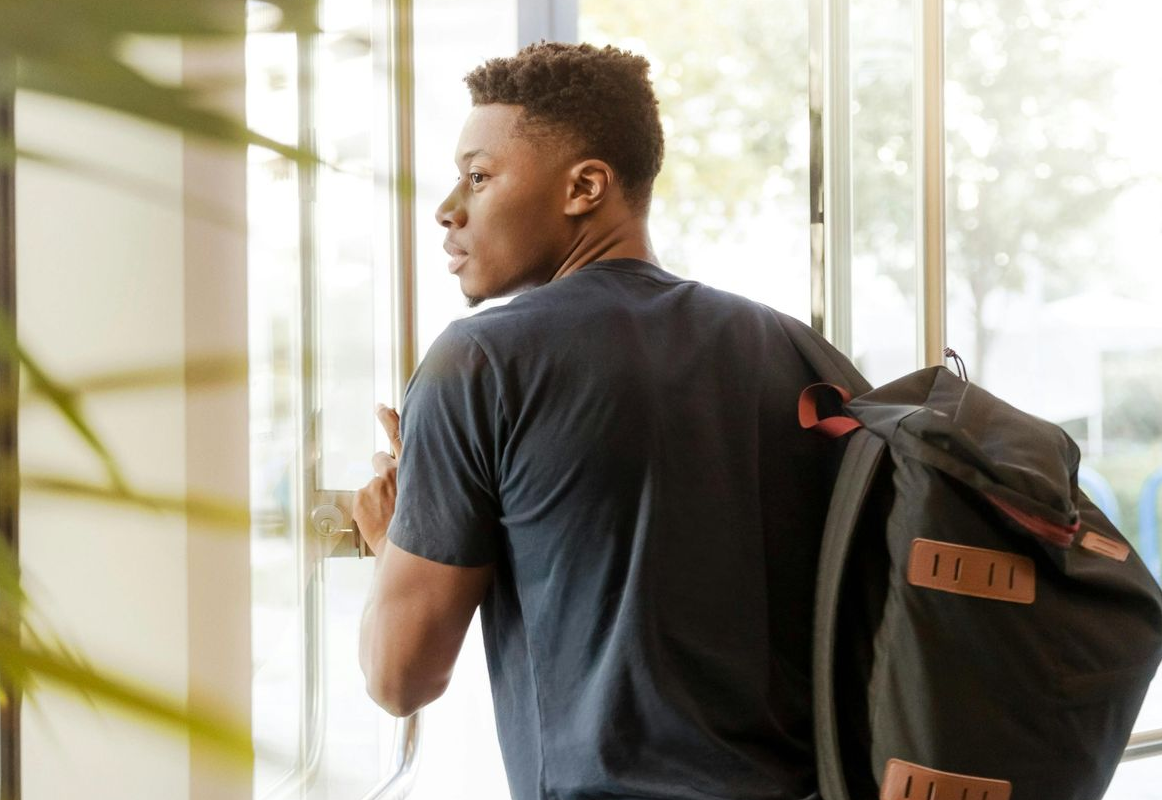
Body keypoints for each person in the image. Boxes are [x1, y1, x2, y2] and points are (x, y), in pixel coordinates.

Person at [351, 42, 836, 800]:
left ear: (584, 186)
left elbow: (399, 679)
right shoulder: (793, 349)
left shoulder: (480, 360)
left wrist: (391, 539)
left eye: (479, 177)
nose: (449, 209)